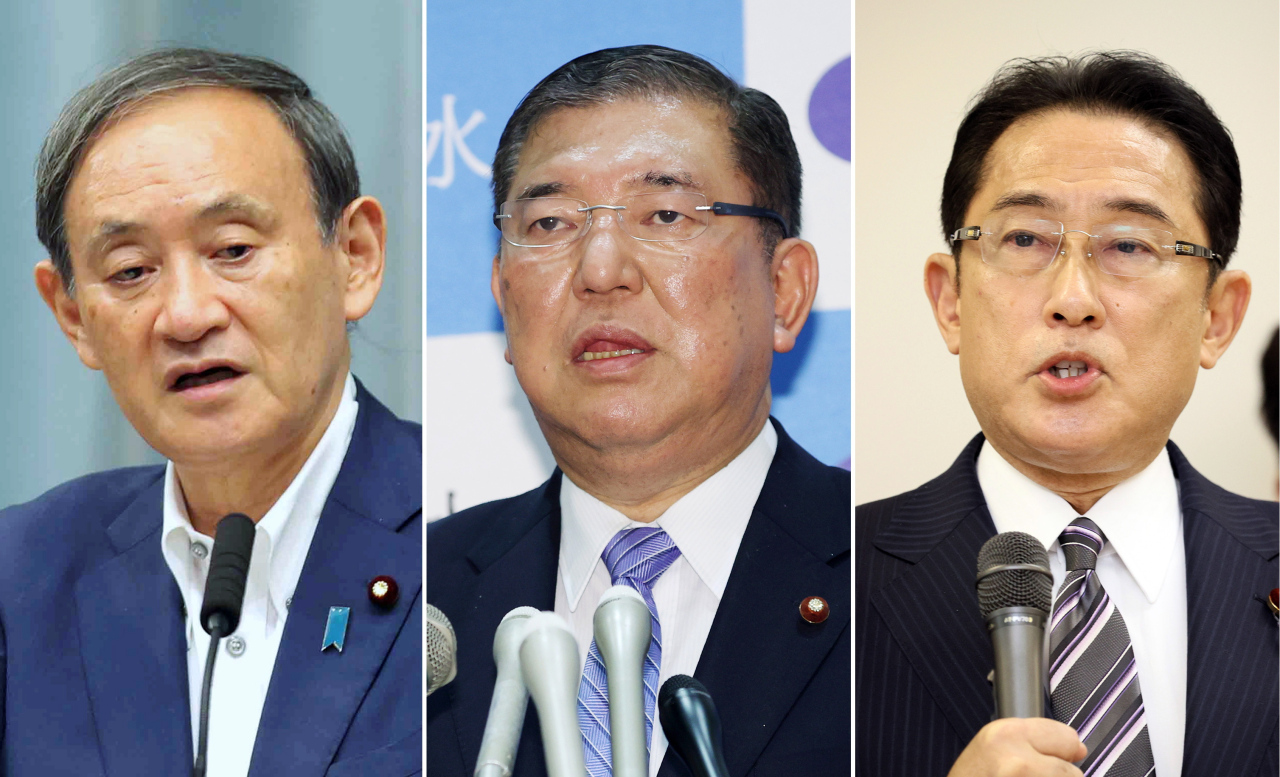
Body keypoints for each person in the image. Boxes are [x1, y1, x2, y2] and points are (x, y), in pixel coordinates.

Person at [427, 45, 849, 777]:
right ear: (502, 298)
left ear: (785, 290)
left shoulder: (889, 578)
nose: (600, 271)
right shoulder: (421, 597)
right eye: (552, 223)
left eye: (664, 213)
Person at [855, 52, 1277, 776]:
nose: (1072, 297)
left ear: (1217, 316)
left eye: (1129, 245)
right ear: (949, 300)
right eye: (1024, 239)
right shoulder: (839, 580)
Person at [1, 48, 421, 776]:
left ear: (354, 255)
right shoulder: (20, 576)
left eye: (232, 249)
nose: (187, 315)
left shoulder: (477, 535)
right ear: (72, 315)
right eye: (131, 271)